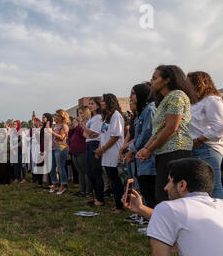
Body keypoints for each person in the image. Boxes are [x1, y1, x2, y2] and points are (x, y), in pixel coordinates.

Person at [126, 158, 223, 256]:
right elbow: (178, 219)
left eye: (170, 181)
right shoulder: (219, 206)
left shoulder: (167, 209)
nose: (166, 187)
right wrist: (140, 209)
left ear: (182, 185)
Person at [136, 65, 197, 203]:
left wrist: (150, 149)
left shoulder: (177, 96)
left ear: (167, 80)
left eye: (154, 78)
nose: (151, 81)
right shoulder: (165, 100)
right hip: (165, 153)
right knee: (163, 194)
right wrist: (146, 149)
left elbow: (171, 128)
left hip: (176, 152)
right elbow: (158, 131)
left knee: (171, 196)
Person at [187, 71, 223, 199]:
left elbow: (219, 126)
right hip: (195, 148)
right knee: (201, 188)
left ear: (199, 83)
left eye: (189, 83)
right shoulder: (196, 103)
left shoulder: (212, 100)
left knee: (214, 186)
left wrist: (200, 139)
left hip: (207, 148)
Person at [95, 94, 125, 213]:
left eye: (102, 101)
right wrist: (99, 149)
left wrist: (102, 149)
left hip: (113, 153)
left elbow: (115, 136)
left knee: (116, 181)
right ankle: (117, 204)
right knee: (112, 180)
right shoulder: (107, 116)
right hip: (106, 153)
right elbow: (103, 135)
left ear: (108, 102)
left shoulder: (116, 116)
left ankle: (120, 206)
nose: (101, 103)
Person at [82, 97, 105, 207]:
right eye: (89, 104)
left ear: (98, 105)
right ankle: (97, 197)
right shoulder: (92, 118)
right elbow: (85, 135)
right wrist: (88, 131)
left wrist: (84, 127)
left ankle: (100, 198)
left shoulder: (99, 118)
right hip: (89, 144)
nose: (90, 106)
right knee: (89, 172)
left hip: (94, 145)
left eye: (92, 104)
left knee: (96, 172)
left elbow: (92, 134)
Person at [69, 106, 93, 198]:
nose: (79, 115)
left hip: (83, 151)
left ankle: (88, 191)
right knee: (80, 172)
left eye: (81, 113)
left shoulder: (87, 123)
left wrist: (78, 126)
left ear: (86, 113)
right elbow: (71, 136)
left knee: (86, 172)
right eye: (79, 113)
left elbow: (85, 135)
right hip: (75, 151)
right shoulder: (79, 124)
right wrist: (71, 128)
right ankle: (82, 190)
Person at [49, 109, 70, 195]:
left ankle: (63, 185)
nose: (55, 117)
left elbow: (62, 138)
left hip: (61, 148)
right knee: (51, 167)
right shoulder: (54, 126)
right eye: (55, 115)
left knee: (60, 167)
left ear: (62, 117)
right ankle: (55, 183)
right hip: (53, 148)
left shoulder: (64, 126)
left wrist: (52, 133)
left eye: (57, 115)